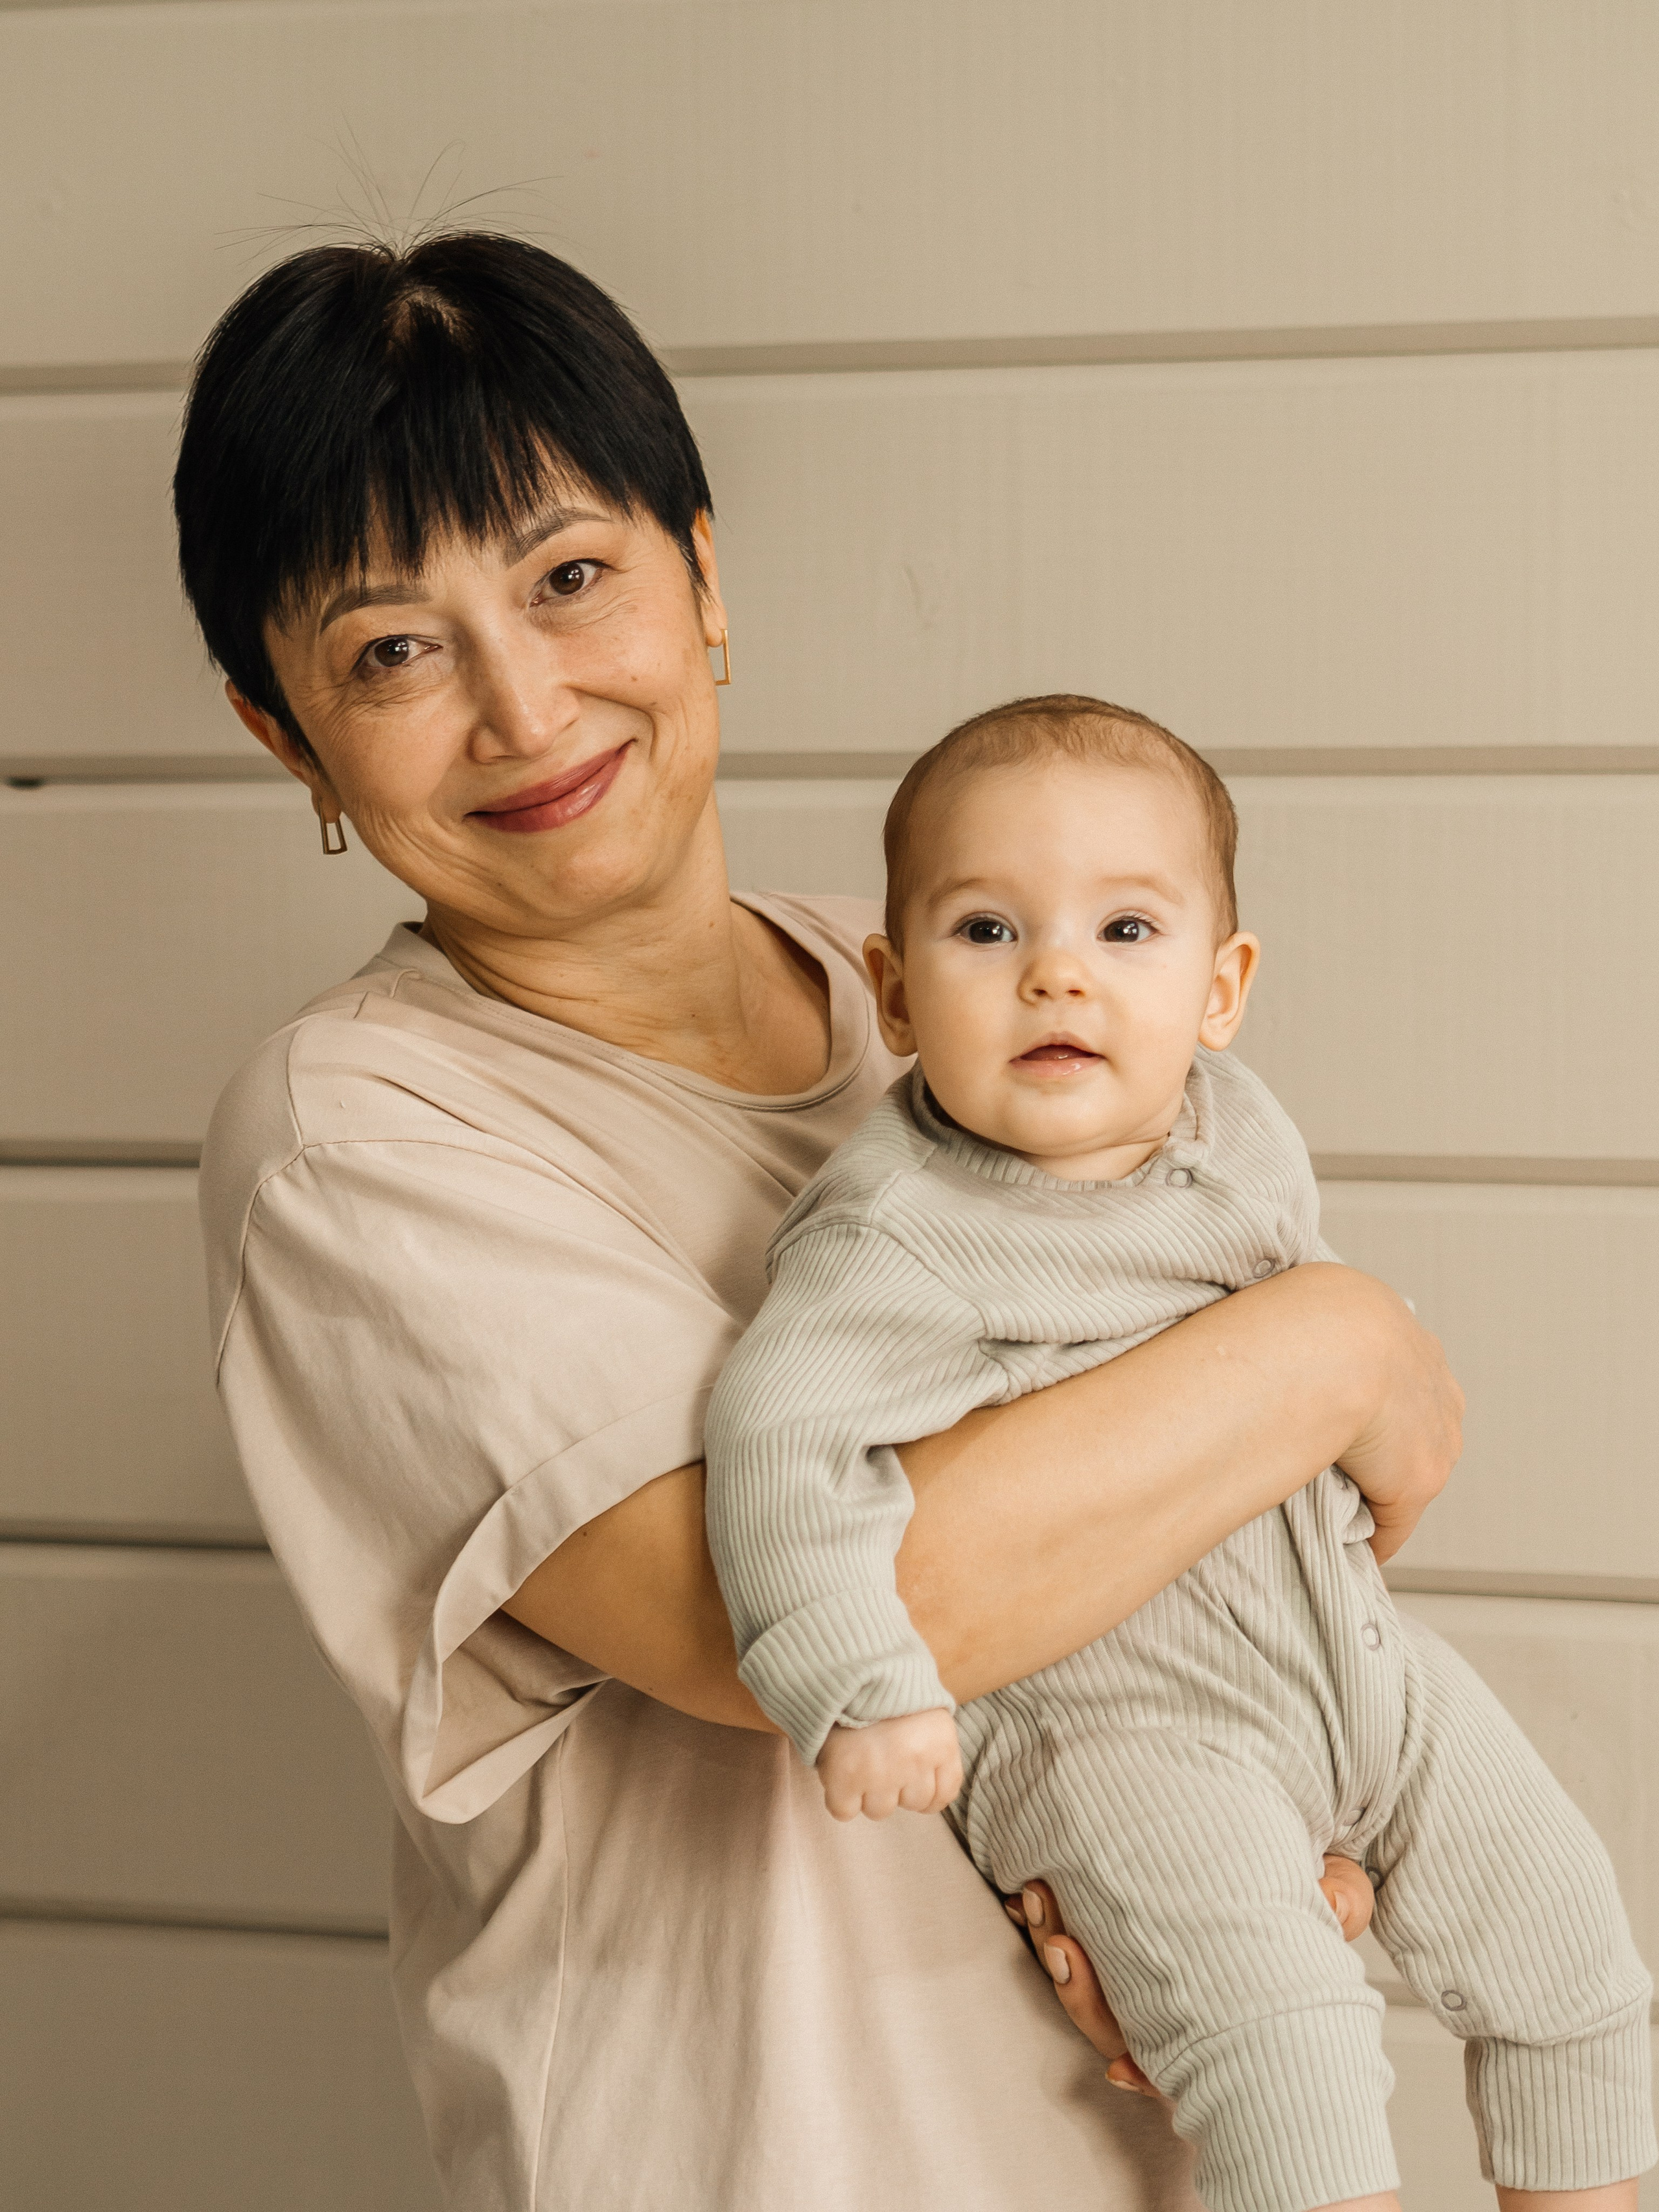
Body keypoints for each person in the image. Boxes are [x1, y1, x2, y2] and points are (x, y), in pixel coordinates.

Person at [178, 232, 1462, 2211]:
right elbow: (771, 1612)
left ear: (707, 580)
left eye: (570, 576)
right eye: (391, 651)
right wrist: (1331, 1344)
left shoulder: (940, 1005)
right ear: (292, 740)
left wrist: (1265, 1856)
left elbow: (1203, 1569)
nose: (522, 704)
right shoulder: (360, 1139)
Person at [704, 694, 1656, 2212]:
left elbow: (1298, 1326)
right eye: (985, 932)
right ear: (889, 993)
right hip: (1121, 1730)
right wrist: (858, 1685)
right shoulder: (901, 1233)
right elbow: (776, 1441)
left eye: (1125, 932)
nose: (1057, 973)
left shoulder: (1235, 1128)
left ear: (1221, 988)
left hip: (1356, 1667)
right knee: (1288, 2060)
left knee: (1570, 1953)